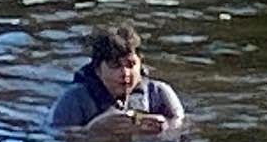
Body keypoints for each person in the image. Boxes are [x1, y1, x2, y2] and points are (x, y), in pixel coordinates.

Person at [48, 22, 187, 132]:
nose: (125, 73)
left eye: (131, 64)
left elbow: (183, 126)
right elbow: (56, 137)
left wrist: (165, 128)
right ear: (97, 69)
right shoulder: (73, 100)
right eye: (115, 65)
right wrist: (92, 131)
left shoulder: (159, 94)